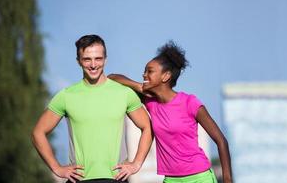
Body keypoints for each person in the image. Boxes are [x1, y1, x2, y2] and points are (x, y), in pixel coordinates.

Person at [32, 34, 153, 183]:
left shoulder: (124, 93)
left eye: (98, 58)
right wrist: (57, 168)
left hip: (116, 178)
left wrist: (136, 163)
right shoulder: (66, 95)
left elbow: (147, 127)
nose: (93, 64)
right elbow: (38, 132)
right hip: (80, 179)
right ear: (78, 61)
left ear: (105, 59)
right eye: (87, 59)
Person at [108, 41, 233, 183]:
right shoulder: (151, 103)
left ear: (166, 76)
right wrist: (139, 87)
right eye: (144, 71)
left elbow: (221, 141)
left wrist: (227, 179)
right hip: (170, 179)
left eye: (150, 71)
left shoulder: (190, 103)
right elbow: (112, 77)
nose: (144, 75)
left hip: (200, 177)